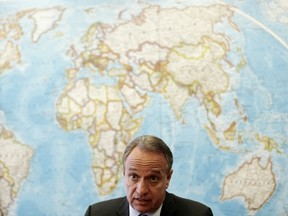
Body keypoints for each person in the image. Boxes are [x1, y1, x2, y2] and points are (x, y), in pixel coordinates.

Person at [84, 135, 213, 216]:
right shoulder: (95, 213)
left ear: (168, 178)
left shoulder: (199, 214)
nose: (141, 190)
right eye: (134, 176)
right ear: (124, 175)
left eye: (153, 178)